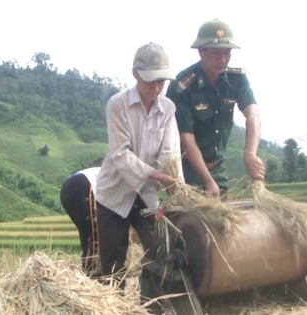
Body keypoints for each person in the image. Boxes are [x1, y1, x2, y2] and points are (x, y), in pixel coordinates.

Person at [94, 42, 184, 302]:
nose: (156, 88)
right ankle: (112, 305)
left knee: (158, 252)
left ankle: (151, 305)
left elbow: (170, 154)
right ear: (135, 74)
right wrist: (157, 176)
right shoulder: (118, 105)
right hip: (114, 193)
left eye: (161, 82)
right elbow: (120, 155)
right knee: (113, 261)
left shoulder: (168, 108)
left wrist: (174, 185)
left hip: (148, 195)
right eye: (150, 81)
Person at [166, 19, 266, 199]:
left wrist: (250, 153)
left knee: (224, 225)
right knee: (192, 225)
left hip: (218, 170)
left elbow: (253, 115)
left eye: (227, 53)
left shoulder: (237, 79)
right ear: (200, 51)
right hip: (187, 173)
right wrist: (207, 180)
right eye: (216, 53)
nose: (223, 59)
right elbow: (187, 140)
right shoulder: (182, 86)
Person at [60, 167, 101, 277]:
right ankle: (92, 276)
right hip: (84, 185)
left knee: (89, 236)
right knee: (93, 238)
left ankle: (90, 275)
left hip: (71, 185)